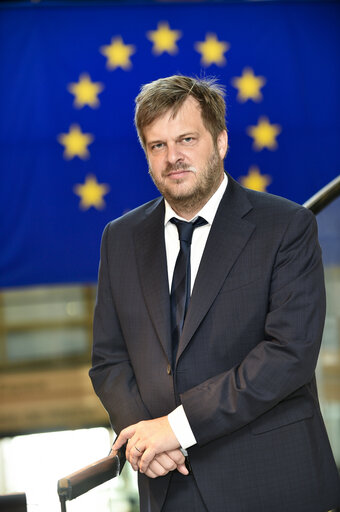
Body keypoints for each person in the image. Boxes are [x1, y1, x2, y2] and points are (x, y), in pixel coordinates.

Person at [89, 75, 340, 512]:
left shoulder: (286, 226)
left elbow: (288, 354)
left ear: (221, 142)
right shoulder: (120, 238)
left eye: (187, 138)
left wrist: (176, 428)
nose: (173, 158)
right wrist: (145, 437)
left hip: (273, 484)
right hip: (169, 487)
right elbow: (109, 361)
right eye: (157, 145)